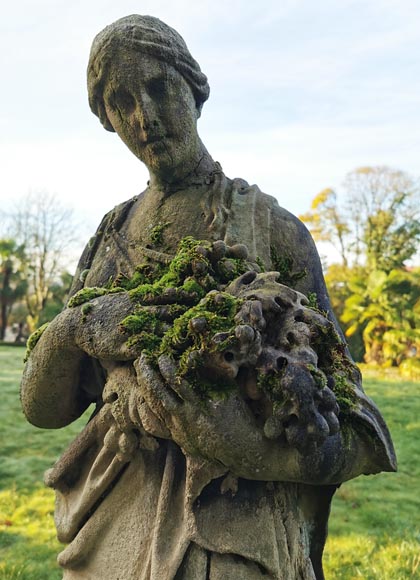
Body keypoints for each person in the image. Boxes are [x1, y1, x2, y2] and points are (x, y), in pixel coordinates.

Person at [20, 15, 396, 580]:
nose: (144, 118)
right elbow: (43, 409)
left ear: (194, 88)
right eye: (121, 101)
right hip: (112, 538)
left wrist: (238, 443)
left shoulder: (269, 229)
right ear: (106, 120)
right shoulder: (108, 238)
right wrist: (78, 327)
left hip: (235, 539)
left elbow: (353, 425)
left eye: (158, 88)